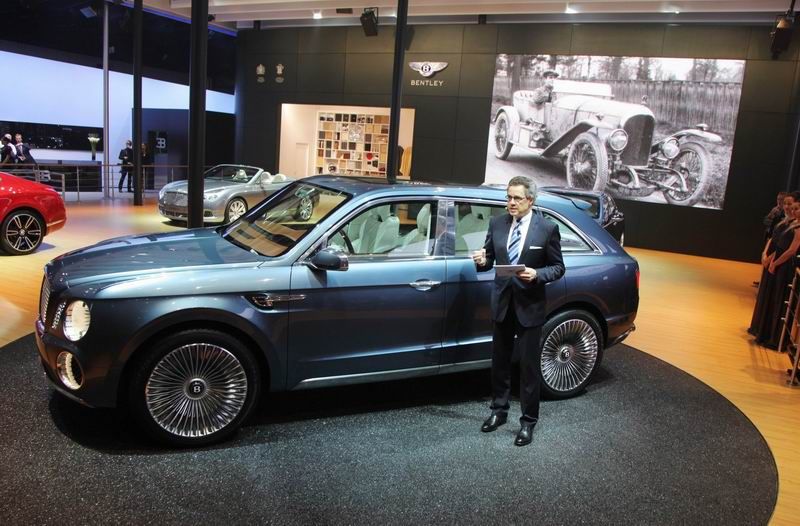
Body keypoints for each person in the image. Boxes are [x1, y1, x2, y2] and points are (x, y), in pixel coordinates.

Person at [472, 175, 565, 446]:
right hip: (502, 304)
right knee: (499, 364)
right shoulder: (497, 223)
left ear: (530, 200)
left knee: (528, 368)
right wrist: (481, 259)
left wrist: (537, 273)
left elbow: (558, 268)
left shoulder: (547, 229)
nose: (510, 203)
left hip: (530, 306)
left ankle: (528, 422)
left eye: (516, 198)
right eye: (508, 197)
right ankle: (498, 411)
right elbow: (488, 259)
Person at [750, 192, 800, 348]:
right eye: (791, 206)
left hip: (785, 268)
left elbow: (791, 250)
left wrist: (775, 262)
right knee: (770, 297)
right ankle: (762, 330)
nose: (792, 209)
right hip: (776, 264)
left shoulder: (797, 228)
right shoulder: (788, 223)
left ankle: (775, 337)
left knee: (779, 300)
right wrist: (767, 255)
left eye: (796, 208)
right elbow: (774, 241)